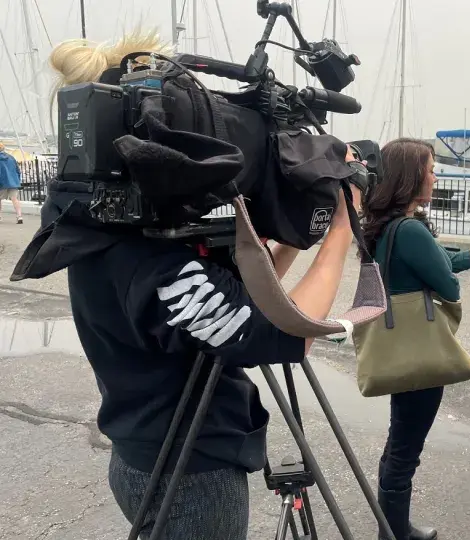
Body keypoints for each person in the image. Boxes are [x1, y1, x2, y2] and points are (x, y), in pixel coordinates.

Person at [22, 30, 365, 539]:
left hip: (150, 453)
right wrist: (342, 229)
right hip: (187, 473)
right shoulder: (149, 262)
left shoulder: (101, 225)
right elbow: (288, 334)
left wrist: (292, 231)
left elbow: (249, 302)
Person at [360, 137, 470, 540]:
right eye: (431, 168)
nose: (436, 177)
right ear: (411, 177)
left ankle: (394, 527)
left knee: (398, 444)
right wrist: (446, 272)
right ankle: (395, 534)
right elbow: (448, 284)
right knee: (405, 452)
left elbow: (447, 261)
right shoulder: (411, 230)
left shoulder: (388, 226)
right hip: (421, 354)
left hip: (398, 347)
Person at [0, 142, 23, 224]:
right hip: (13, 182)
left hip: (2, 182)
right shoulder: (11, 157)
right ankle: (19, 216)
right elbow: (17, 170)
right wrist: (17, 180)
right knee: (14, 199)